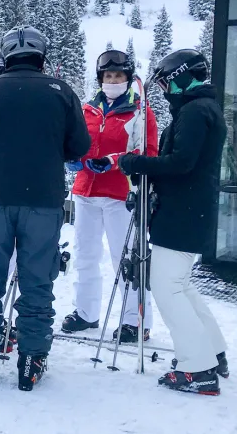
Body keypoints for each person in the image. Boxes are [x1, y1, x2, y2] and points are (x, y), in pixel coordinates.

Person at [0, 26, 90, 391]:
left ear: (6, 56)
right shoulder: (61, 92)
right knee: (37, 281)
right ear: (41, 56)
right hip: (44, 202)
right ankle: (32, 360)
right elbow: (79, 146)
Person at [118, 49, 228, 395]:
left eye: (167, 82)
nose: (164, 90)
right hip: (188, 210)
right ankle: (212, 352)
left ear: (182, 77)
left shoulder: (196, 111)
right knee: (180, 283)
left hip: (184, 213)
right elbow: (183, 163)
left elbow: (182, 162)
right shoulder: (201, 108)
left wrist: (137, 165)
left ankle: (199, 369)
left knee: (167, 287)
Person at [62, 50, 159, 343]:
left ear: (128, 79)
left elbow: (148, 153)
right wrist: (73, 157)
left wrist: (114, 161)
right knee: (85, 255)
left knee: (126, 258)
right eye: (108, 76)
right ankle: (86, 312)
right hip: (86, 192)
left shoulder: (140, 112)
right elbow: (74, 141)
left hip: (121, 194)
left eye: (118, 76)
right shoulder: (87, 110)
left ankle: (135, 320)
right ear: (100, 79)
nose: (112, 80)